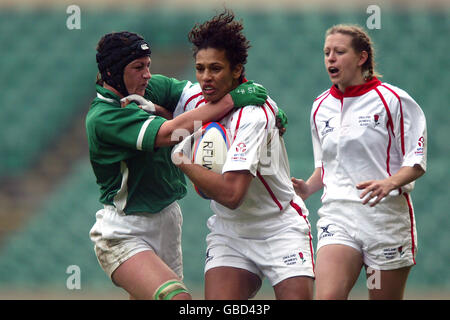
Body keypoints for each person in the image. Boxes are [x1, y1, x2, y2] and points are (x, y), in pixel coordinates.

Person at [86, 31, 267, 300]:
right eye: (138, 67)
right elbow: (168, 133)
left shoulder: (146, 89)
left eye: (148, 65)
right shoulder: (103, 117)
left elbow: (199, 95)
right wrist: (234, 100)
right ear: (112, 72)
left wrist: (268, 109)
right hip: (124, 231)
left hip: (168, 221)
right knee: (177, 299)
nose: (147, 74)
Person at [171, 10, 315, 300]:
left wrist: (181, 160)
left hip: (279, 227)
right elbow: (159, 93)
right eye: (200, 69)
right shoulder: (197, 100)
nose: (205, 78)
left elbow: (232, 195)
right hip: (231, 233)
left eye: (215, 68)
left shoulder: (254, 114)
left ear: (236, 70)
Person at [292, 24, 427, 300]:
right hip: (338, 215)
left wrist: (389, 183)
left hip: (384, 218)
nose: (331, 58)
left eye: (339, 52)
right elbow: (327, 166)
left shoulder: (393, 100)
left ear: (361, 57)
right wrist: (307, 188)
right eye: (327, 52)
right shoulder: (320, 106)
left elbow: (416, 161)